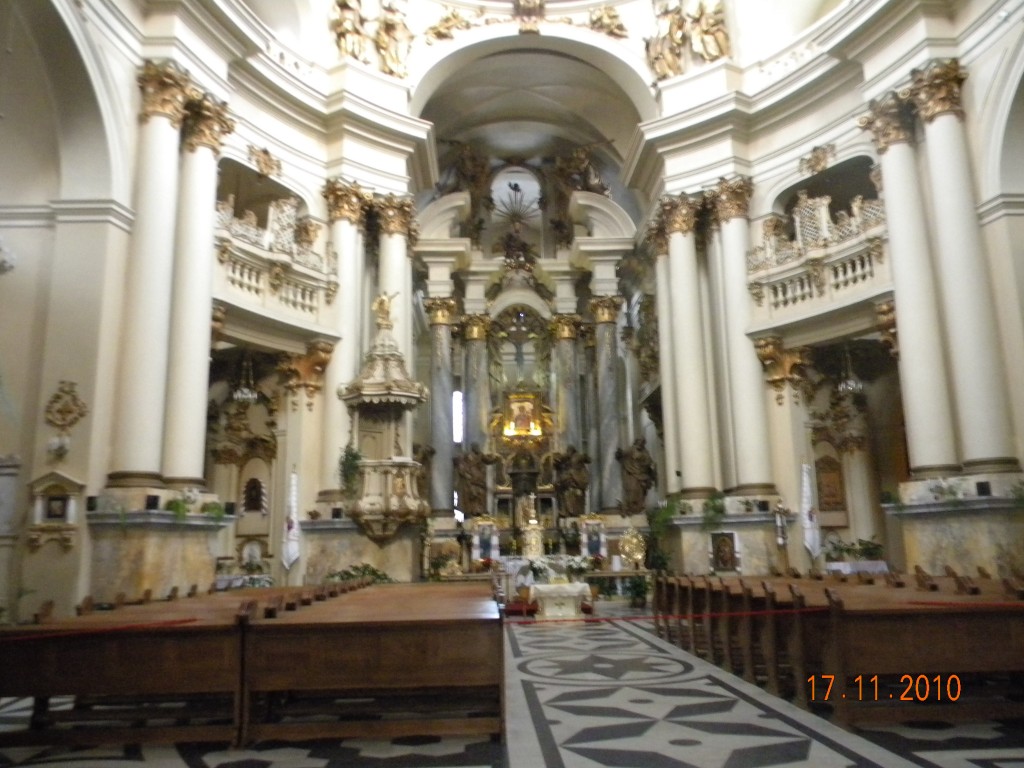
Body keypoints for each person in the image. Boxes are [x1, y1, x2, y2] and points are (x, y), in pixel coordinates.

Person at [454, 443, 500, 517]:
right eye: (476, 447)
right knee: (471, 495)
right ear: (473, 448)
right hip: (470, 479)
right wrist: (465, 474)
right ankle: (471, 511)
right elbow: (461, 466)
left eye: (478, 447)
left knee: (481, 494)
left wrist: (495, 458)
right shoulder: (467, 456)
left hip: (479, 479)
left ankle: (479, 511)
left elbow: (488, 460)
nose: (478, 449)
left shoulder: (480, 455)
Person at [616, 437, 657, 516]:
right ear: (636, 442)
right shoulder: (630, 450)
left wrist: (649, 466)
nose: (640, 444)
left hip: (642, 474)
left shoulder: (645, 452)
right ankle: (629, 507)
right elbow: (622, 454)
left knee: (640, 493)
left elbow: (649, 461)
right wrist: (619, 453)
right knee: (632, 490)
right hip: (632, 473)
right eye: (639, 442)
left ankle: (637, 508)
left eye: (642, 442)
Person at [554, 445, 591, 518]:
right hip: (568, 483)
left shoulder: (577, 457)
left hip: (578, 481)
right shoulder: (566, 458)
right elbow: (556, 463)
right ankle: (566, 511)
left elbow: (588, 459)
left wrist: (584, 456)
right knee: (564, 493)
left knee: (574, 496)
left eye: (569, 451)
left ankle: (573, 513)